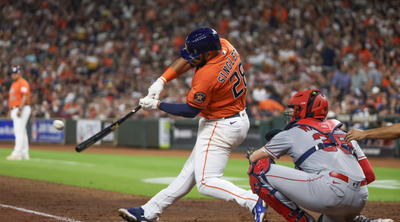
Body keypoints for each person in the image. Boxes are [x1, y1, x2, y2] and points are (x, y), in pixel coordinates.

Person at [118, 28, 267, 222]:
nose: (191, 58)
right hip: (234, 119)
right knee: (188, 175)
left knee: (205, 183)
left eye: (196, 54)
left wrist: (157, 105)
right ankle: (148, 212)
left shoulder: (207, 76)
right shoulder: (224, 45)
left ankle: (252, 200)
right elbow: (190, 60)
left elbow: (190, 111)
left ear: (208, 53)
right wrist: (162, 80)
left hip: (219, 125)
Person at [246, 90, 393, 222]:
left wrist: (254, 155)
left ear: (303, 110)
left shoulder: (291, 133)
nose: (291, 113)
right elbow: (369, 175)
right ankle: (361, 220)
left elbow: (254, 158)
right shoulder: (344, 133)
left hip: (331, 191)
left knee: (258, 170)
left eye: (294, 109)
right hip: (360, 198)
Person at [6, 66, 31, 160]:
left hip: (21, 108)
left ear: (20, 73)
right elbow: (12, 99)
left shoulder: (22, 82)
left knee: (19, 131)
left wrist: (20, 109)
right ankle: (24, 153)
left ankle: (17, 153)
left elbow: (25, 96)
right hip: (14, 108)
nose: (13, 75)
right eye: (12, 73)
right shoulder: (14, 84)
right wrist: (10, 110)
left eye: (15, 73)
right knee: (22, 131)